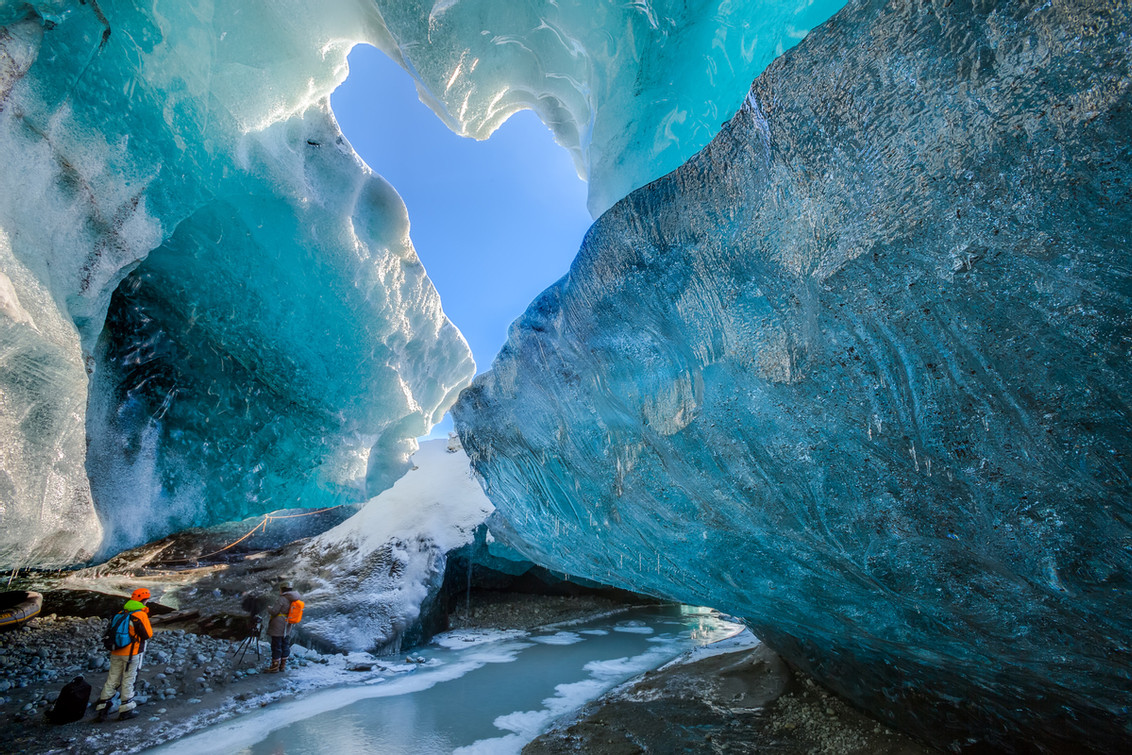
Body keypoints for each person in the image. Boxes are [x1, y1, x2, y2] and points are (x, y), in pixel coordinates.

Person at [94, 588, 154, 721]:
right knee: (129, 679)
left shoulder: (121, 613)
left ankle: (103, 708)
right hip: (132, 652)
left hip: (116, 651)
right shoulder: (140, 615)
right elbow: (147, 634)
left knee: (112, 678)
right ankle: (126, 709)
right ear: (144, 600)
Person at [266, 582, 301, 673]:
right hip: (287, 624)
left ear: (282, 589)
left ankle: (274, 666)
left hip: (278, 623)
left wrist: (269, 608)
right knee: (285, 644)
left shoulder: (282, 599)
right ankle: (283, 665)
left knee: (276, 644)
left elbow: (274, 611)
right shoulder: (294, 598)